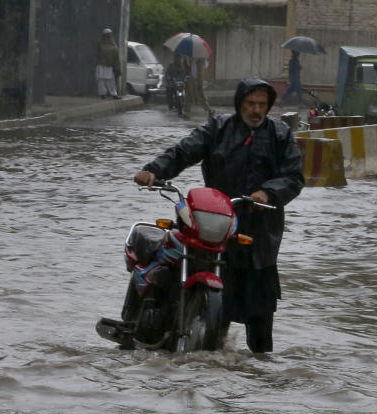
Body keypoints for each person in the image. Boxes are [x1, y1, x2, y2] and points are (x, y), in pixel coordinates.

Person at [133, 77, 304, 353]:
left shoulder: (280, 134)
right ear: (239, 104)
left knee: (260, 316)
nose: (256, 110)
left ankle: (260, 373)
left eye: (262, 104)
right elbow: (183, 151)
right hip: (213, 225)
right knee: (207, 296)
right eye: (250, 103)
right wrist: (154, 170)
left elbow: (294, 176)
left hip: (259, 234)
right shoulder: (218, 128)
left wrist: (268, 194)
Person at [95, 28, 120, 99]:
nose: (108, 36)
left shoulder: (113, 44)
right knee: (101, 80)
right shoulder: (100, 44)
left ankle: (114, 94)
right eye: (107, 35)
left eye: (109, 35)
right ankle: (102, 94)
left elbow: (116, 55)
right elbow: (98, 54)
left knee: (111, 80)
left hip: (109, 65)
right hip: (101, 65)